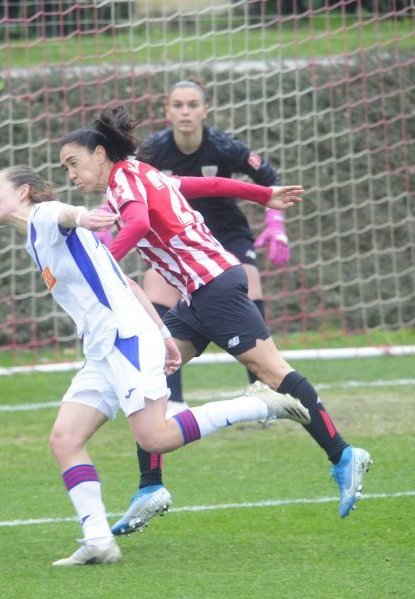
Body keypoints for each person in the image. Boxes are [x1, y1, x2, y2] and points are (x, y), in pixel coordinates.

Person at [58, 106, 373, 536]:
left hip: (214, 286)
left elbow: (137, 222)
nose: (71, 175)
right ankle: (150, 487)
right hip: (197, 293)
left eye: (73, 163)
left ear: (99, 153)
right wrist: (263, 195)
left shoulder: (125, 180)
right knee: (149, 367)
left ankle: (343, 455)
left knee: (272, 371)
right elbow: (206, 185)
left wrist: (103, 268)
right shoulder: (141, 173)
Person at [0, 166, 309, 566]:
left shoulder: (45, 218)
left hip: (126, 339)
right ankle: (98, 541)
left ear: (25, 191)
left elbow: (63, 214)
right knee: (65, 440)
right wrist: (165, 334)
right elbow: (127, 283)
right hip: (103, 349)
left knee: (155, 437)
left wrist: (84, 217)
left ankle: (263, 404)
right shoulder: (36, 241)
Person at [111, 78, 297, 534]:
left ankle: (263, 387)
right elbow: (129, 191)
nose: (186, 112)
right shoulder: (153, 152)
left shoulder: (224, 146)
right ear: (168, 111)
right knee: (156, 308)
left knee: (248, 294)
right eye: (178, 104)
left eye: (194, 104)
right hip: (173, 236)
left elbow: (267, 176)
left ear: (205, 109)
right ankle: (169, 399)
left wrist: (276, 223)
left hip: (224, 235)